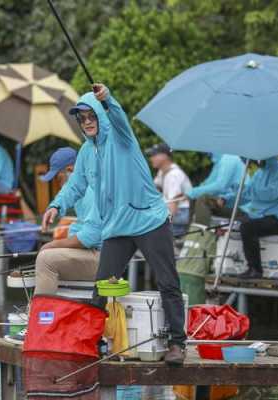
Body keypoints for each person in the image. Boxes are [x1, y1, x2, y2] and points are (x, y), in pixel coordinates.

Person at [42, 84, 187, 365]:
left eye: (91, 116)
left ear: (100, 115)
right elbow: (76, 184)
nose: (86, 122)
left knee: (167, 281)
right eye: (81, 118)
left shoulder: (122, 138)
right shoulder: (85, 151)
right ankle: (91, 341)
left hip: (148, 220)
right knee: (102, 286)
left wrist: (108, 99)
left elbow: (118, 117)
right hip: (117, 227)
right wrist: (56, 205)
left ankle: (177, 343)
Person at [6, 147, 102, 344]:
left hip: (102, 257)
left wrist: (53, 245)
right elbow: (65, 193)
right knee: (46, 257)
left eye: (58, 177)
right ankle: (45, 320)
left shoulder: (93, 190)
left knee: (47, 258)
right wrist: (54, 207)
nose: (59, 182)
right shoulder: (80, 182)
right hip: (88, 252)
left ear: (70, 169)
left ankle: (39, 327)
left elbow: (91, 237)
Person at [221, 157, 278, 279]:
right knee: (233, 224)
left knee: (247, 228)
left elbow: (268, 194)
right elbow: (246, 195)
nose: (250, 164)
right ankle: (232, 266)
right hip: (260, 217)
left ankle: (255, 269)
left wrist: (241, 188)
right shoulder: (259, 173)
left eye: (250, 161)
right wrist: (226, 199)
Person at [146, 143, 193, 237]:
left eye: (154, 155)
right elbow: (152, 190)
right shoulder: (163, 171)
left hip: (179, 214)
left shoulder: (174, 175)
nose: (151, 158)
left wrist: (165, 225)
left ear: (165, 156)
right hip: (171, 212)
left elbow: (173, 204)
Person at [185, 153, 245, 218]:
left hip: (238, 205)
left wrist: (191, 193)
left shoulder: (229, 158)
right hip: (226, 201)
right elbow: (207, 184)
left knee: (203, 199)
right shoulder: (219, 160)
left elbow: (219, 186)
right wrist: (189, 193)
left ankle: (200, 227)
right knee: (194, 198)